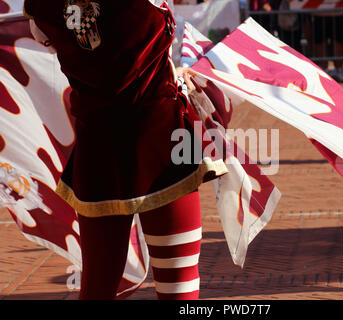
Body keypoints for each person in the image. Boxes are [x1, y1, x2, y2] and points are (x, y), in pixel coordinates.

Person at [23, 0, 228, 300]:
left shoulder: (42, 6)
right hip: (160, 146)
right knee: (178, 288)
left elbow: (52, 42)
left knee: (97, 290)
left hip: (99, 150)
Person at [311, 10, 343, 82]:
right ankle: (324, 71)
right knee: (320, 41)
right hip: (319, 13)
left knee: (338, 40)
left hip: (338, 13)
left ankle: (339, 70)